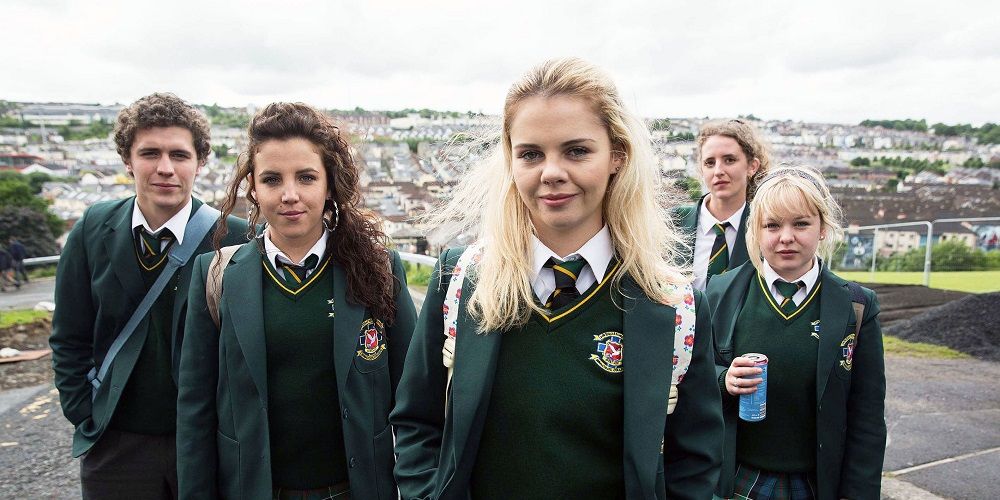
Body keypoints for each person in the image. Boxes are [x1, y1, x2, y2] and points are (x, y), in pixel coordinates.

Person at [390, 57, 723, 499]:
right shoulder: (462, 280)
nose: (551, 173)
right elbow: (418, 424)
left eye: (576, 151)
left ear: (617, 157)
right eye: (530, 154)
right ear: (510, 161)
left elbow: (694, 463)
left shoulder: (672, 304)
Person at [177, 102, 417, 499]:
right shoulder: (215, 277)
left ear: (329, 183)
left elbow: (413, 396)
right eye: (272, 179)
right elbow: (195, 412)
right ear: (253, 187)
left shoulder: (378, 269)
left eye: (306, 177)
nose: (290, 195)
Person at [49, 93, 247, 499]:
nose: (165, 168)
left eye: (179, 154)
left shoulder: (235, 238)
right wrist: (85, 414)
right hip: (116, 442)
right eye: (149, 153)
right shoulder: (93, 228)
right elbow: (69, 334)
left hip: (205, 441)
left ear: (200, 162)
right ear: (127, 160)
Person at [707, 166, 886, 499]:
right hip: (737, 479)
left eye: (800, 223)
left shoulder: (857, 306)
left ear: (822, 228)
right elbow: (689, 380)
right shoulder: (720, 293)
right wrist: (723, 380)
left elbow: (867, 418)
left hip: (816, 484)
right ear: (756, 231)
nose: (785, 237)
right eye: (772, 225)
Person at [676, 119, 772, 290]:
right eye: (710, 163)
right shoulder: (672, 222)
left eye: (729, 160)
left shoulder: (766, 229)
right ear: (701, 169)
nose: (718, 171)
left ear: (752, 166)